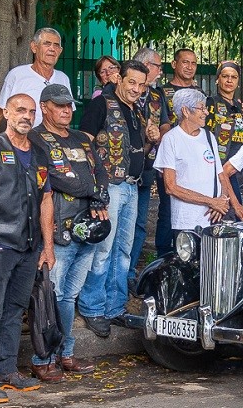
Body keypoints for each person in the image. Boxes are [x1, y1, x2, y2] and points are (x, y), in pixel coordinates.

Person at [0, 94, 54, 403]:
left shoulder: (40, 152)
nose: (26, 115)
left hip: (29, 245)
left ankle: (7, 370)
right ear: (5, 112)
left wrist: (47, 246)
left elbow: (46, 200)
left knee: (15, 310)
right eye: (20, 109)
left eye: (32, 111)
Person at [28, 84, 109, 382]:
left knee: (69, 295)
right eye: (60, 105)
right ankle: (42, 357)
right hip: (58, 230)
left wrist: (101, 197)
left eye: (69, 106)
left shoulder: (79, 138)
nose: (66, 110)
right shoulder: (36, 139)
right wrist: (93, 191)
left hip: (88, 228)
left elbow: (99, 169)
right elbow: (53, 178)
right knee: (52, 293)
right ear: (45, 107)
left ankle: (66, 354)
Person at [78, 61, 150, 337]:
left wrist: (151, 140)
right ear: (119, 79)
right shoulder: (101, 104)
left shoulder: (136, 110)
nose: (136, 89)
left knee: (123, 252)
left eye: (142, 85)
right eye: (132, 82)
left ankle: (115, 307)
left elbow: (133, 148)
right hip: (110, 188)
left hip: (131, 186)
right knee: (103, 251)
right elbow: (85, 144)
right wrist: (96, 189)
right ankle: (93, 307)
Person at [152, 89, 230, 236]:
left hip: (213, 219)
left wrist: (222, 200)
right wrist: (211, 202)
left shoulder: (209, 137)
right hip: (186, 221)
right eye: (201, 108)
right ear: (186, 111)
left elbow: (221, 175)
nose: (206, 112)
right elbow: (171, 187)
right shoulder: (171, 139)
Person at [128, 49, 171, 287]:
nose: (160, 71)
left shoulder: (156, 95)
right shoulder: (123, 93)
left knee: (140, 223)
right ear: (145, 65)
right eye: (157, 66)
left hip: (148, 166)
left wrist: (158, 134)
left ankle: (131, 271)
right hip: (124, 169)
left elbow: (165, 123)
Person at [0, 28, 71, 132]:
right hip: (23, 140)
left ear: (60, 51)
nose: (52, 49)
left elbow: (66, 118)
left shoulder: (63, 78)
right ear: (34, 47)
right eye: (47, 44)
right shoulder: (17, 75)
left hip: (53, 143)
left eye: (56, 45)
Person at [156, 48, 201, 257]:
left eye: (193, 63)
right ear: (174, 64)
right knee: (168, 210)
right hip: (171, 157)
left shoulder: (200, 93)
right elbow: (162, 125)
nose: (189, 67)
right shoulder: (162, 92)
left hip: (196, 159)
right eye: (185, 62)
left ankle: (191, 252)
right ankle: (164, 257)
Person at [206, 60, 243, 204]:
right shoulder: (211, 102)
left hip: (237, 166)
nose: (229, 80)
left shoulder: (241, 107)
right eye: (225, 76)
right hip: (218, 166)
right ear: (218, 79)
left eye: (234, 77)